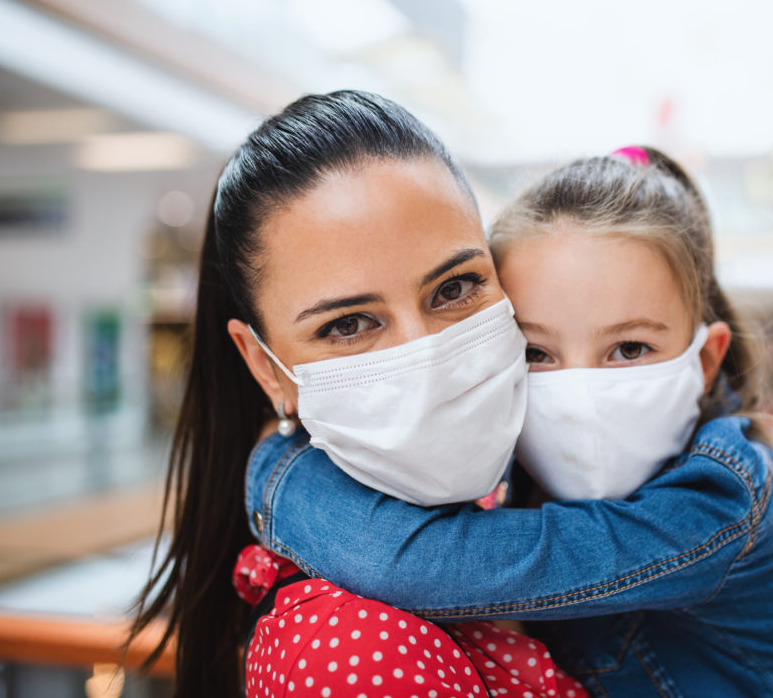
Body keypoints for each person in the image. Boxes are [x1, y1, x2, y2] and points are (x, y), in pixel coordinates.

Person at [243, 147, 773, 696]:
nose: (580, 391)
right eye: (536, 353)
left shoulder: (721, 498)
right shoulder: (501, 462)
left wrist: (278, 474)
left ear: (706, 360)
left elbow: (427, 563)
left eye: (630, 348)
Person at [128, 90, 584, 697]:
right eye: (347, 324)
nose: (426, 355)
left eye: (455, 287)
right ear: (265, 369)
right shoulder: (353, 654)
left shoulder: (531, 491)